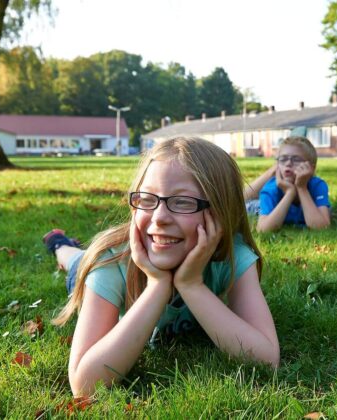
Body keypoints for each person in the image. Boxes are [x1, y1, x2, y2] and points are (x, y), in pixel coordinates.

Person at [46, 137, 279, 397]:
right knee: (76, 260)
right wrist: (157, 285)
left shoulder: (232, 256)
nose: (159, 218)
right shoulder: (110, 263)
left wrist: (191, 285)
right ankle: (59, 244)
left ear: (221, 212)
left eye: (182, 202)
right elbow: (85, 385)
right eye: (147, 199)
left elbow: (267, 359)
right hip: (94, 264)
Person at [255, 136, 331, 232]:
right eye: (283, 159)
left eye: (296, 159)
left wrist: (302, 188)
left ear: (312, 167)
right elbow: (263, 229)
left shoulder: (317, 185)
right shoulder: (271, 188)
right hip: (256, 207)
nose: (288, 163)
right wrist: (290, 193)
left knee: (327, 210)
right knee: (251, 208)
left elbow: (321, 227)